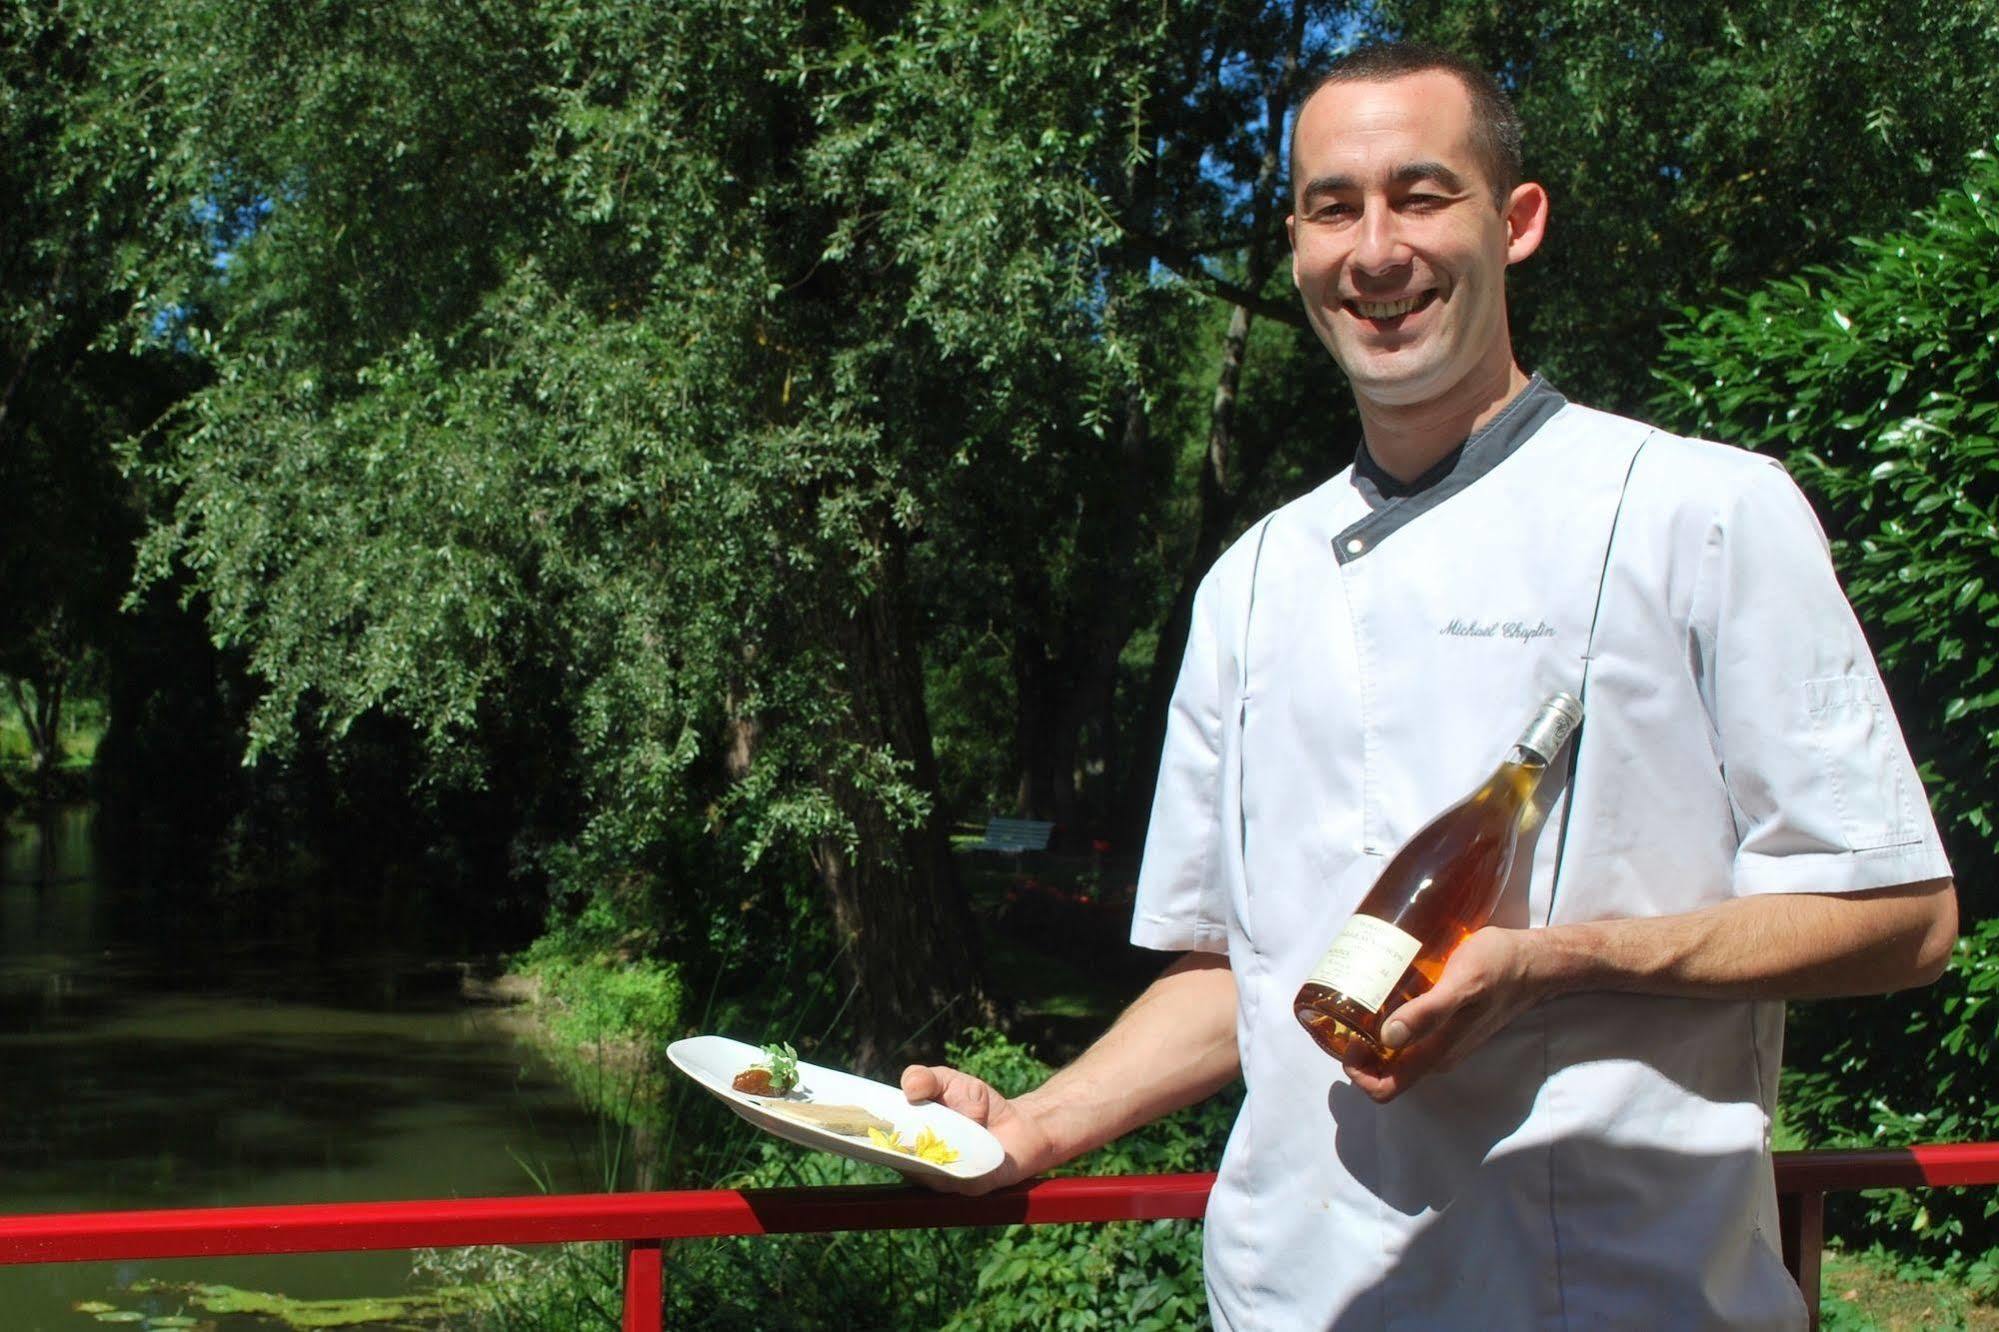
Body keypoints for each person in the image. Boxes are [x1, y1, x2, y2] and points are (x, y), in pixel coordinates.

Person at [902, 41, 1958, 1330]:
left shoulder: (1702, 510)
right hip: (1287, 1299)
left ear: (1516, 223)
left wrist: (1563, 964)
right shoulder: (1249, 578)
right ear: (1294, 243)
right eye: (1332, 206)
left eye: (1421, 195)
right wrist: (1037, 1123)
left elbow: (1900, 914)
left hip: (1615, 1300)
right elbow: (1233, 970)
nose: (1376, 249)